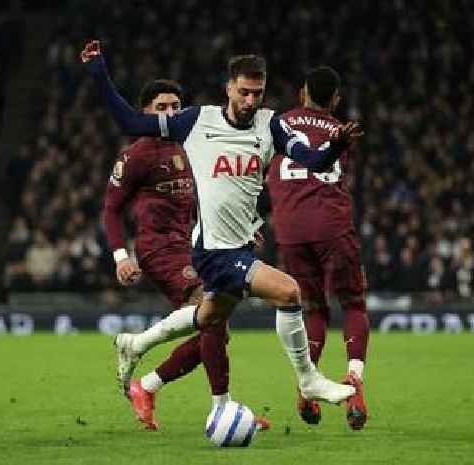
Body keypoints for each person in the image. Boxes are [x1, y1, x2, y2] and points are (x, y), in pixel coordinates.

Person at [81, 40, 365, 424]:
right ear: (229, 87)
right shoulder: (196, 121)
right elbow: (130, 122)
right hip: (213, 251)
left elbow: (312, 160)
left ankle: (137, 345)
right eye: (244, 92)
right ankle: (307, 379)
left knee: (210, 316)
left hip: (241, 245)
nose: (250, 101)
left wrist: (335, 146)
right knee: (288, 291)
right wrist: (98, 71)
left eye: (257, 93)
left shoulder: (271, 125)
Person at [102, 78, 233, 431]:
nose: (170, 113)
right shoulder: (137, 155)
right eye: (161, 108)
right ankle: (222, 409)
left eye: (175, 106)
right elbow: (111, 210)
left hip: (193, 246)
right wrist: (120, 257)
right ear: (146, 113)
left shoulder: (193, 145)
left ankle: (147, 386)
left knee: (215, 326)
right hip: (158, 247)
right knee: (209, 311)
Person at [265, 66, 369, 430]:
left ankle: (306, 387)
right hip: (331, 227)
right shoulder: (342, 131)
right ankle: (353, 385)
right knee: (353, 303)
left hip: (290, 229)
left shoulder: (276, 125)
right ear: (335, 99)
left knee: (313, 309)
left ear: (301, 93)